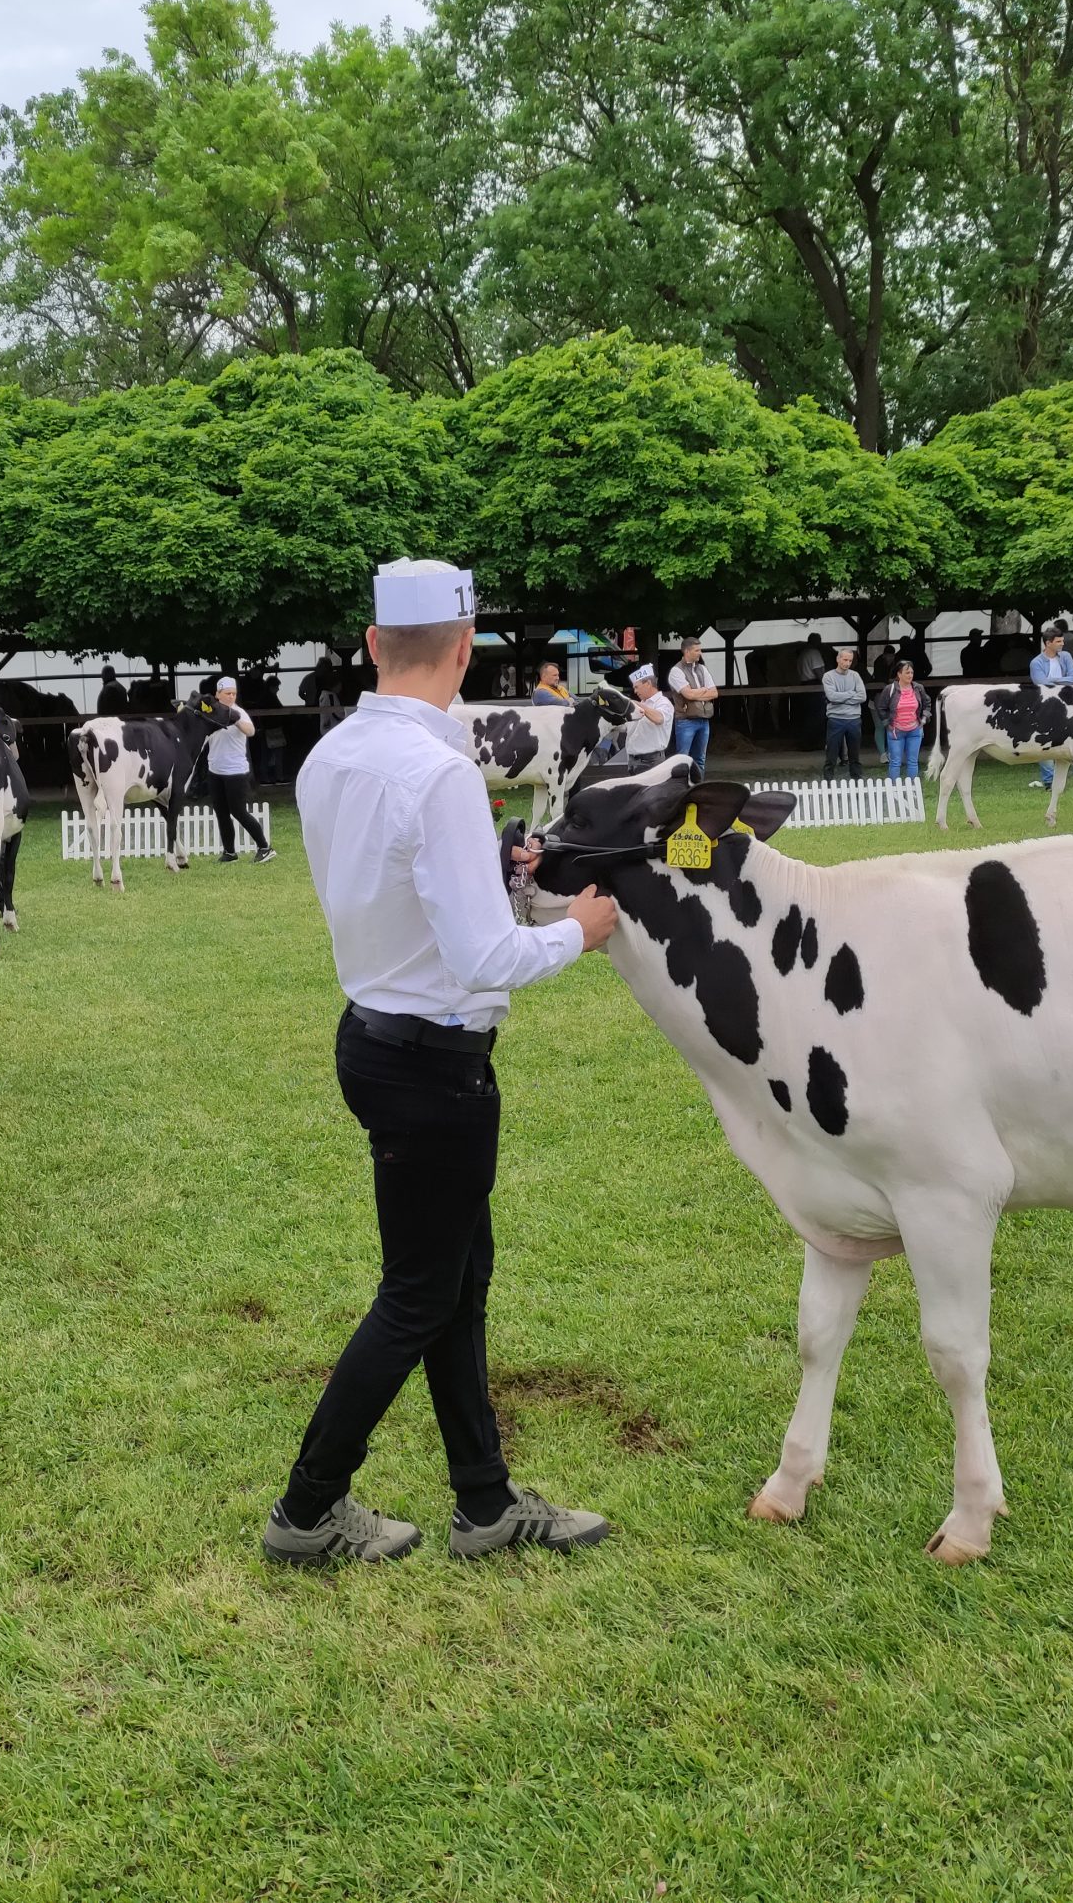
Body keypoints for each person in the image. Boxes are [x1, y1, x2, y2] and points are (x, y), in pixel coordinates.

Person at [268, 556, 618, 1567]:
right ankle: (306, 1507)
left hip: (376, 1035)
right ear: (462, 650)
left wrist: (484, 872)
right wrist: (581, 929)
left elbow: (388, 893)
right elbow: (483, 956)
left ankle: (484, 1499)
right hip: (434, 1062)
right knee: (421, 1291)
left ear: (375, 644)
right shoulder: (442, 771)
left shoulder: (329, 757)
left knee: (456, 1277)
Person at [203, 675, 277, 863]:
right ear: (217, 694)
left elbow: (251, 731)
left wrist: (234, 719)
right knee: (221, 812)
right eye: (227, 693)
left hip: (235, 771)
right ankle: (229, 852)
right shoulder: (211, 713)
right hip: (215, 770)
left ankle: (265, 847)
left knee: (238, 811)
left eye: (234, 693)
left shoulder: (239, 712)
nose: (231, 697)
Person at [1025, 625, 1073, 791]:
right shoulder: (1037, 662)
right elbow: (1041, 682)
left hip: (1066, 702)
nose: (1062, 644)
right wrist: (1062, 679)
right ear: (1048, 643)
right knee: (1044, 740)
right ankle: (1049, 780)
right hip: (1045, 704)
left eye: (1062, 641)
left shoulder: (1066, 656)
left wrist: (1053, 680)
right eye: (1059, 641)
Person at [665, 637, 718, 773]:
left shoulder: (702, 669)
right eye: (697, 650)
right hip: (685, 720)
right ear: (687, 651)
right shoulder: (676, 671)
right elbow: (688, 695)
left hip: (703, 719)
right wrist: (703, 690)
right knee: (682, 759)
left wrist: (695, 693)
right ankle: (682, 789)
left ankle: (698, 788)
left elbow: (714, 693)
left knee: (700, 759)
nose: (700, 653)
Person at [879, 661, 931, 779]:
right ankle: (894, 790)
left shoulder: (918, 688)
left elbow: (927, 703)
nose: (910, 675)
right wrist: (888, 724)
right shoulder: (890, 689)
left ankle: (912, 789)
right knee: (895, 762)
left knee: (913, 761)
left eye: (912, 672)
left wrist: (924, 718)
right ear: (899, 674)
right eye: (907, 672)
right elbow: (881, 707)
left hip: (915, 730)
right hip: (896, 731)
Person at [618, 664, 675, 772]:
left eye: (636, 687)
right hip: (633, 760)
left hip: (651, 762)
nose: (635, 691)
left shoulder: (663, 703)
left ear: (648, 683)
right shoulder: (640, 704)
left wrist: (637, 705)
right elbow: (625, 727)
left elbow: (659, 718)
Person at [821, 646, 868, 776]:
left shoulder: (855, 675)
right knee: (831, 755)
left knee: (855, 756)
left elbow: (862, 696)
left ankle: (857, 784)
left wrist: (841, 697)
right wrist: (851, 694)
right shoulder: (828, 676)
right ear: (838, 659)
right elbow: (831, 696)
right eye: (845, 660)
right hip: (835, 719)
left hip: (854, 719)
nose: (847, 663)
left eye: (850, 661)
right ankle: (828, 785)